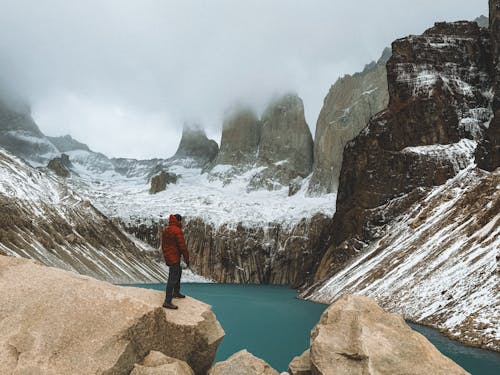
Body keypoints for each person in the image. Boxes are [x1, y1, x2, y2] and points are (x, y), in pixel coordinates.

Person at [161, 213, 190, 309]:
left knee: (178, 271)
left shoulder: (166, 230)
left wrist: (166, 256)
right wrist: (187, 259)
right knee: (172, 278)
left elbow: (164, 245)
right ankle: (167, 301)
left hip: (169, 256)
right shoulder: (177, 231)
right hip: (174, 257)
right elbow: (183, 247)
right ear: (178, 221)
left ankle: (176, 292)